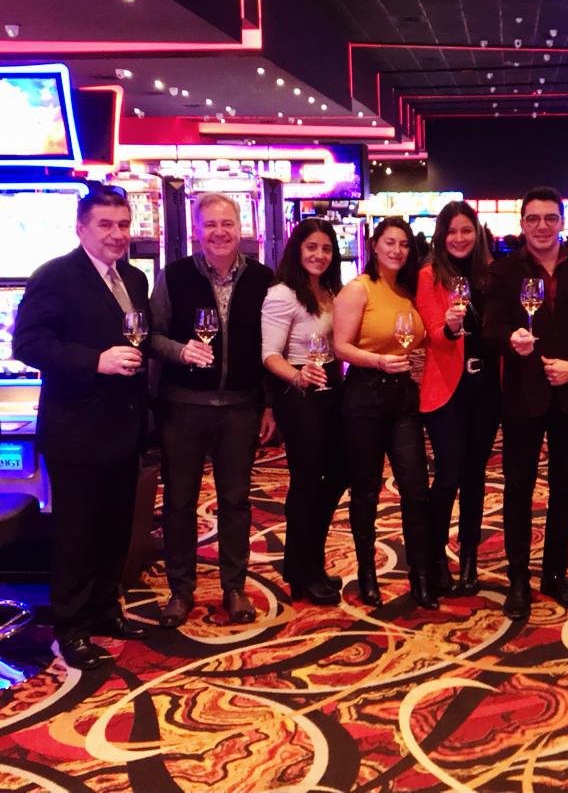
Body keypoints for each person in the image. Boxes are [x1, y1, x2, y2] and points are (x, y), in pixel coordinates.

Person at [13, 187, 150, 670]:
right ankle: (70, 628)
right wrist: (96, 361)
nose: (116, 234)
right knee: (77, 534)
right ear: (81, 228)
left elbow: (142, 339)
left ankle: (105, 610)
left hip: (124, 424)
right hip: (76, 429)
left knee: (115, 528)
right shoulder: (54, 276)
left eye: (123, 224)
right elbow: (28, 344)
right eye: (105, 225)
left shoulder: (134, 277)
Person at [483, 186, 568, 620]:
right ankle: (518, 579)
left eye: (550, 218)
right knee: (518, 489)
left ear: (562, 222)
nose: (541, 226)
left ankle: (555, 576)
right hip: (523, 394)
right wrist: (511, 340)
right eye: (533, 219)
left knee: (565, 489)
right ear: (522, 224)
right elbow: (489, 329)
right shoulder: (504, 271)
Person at [151, 193, 275, 628]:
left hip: (241, 407)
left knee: (236, 501)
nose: (219, 232)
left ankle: (234, 587)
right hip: (183, 406)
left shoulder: (264, 278)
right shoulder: (174, 275)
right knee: (179, 502)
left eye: (227, 223)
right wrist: (180, 351)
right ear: (196, 231)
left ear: (242, 228)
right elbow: (152, 336)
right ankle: (180, 589)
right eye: (210, 224)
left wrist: (268, 404)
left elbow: (269, 348)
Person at [333, 216, 435, 609]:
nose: (397, 250)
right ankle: (367, 575)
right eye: (390, 242)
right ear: (374, 245)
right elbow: (341, 346)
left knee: (416, 489)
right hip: (365, 395)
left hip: (404, 398)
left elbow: (420, 340)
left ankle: (421, 577)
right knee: (366, 491)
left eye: (404, 244)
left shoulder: (408, 291)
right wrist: (378, 361)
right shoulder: (359, 289)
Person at [261, 218, 347, 605]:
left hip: (330, 386)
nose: (319, 255)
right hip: (299, 391)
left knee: (338, 472)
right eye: (312, 247)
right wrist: (298, 377)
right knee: (307, 481)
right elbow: (269, 354)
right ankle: (303, 570)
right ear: (297, 249)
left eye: (326, 248)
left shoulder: (329, 289)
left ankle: (308, 560)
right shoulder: (282, 294)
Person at [416, 201, 500, 596]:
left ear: (477, 232)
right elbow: (433, 331)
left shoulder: (492, 274)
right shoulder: (430, 275)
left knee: (474, 475)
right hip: (447, 388)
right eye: (452, 231)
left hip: (487, 389)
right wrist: (450, 328)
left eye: (466, 230)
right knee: (449, 474)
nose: (459, 238)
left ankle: (469, 560)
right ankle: (434, 558)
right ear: (441, 235)